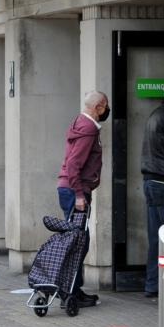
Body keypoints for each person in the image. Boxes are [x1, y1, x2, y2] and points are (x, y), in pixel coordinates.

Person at [56, 90, 109, 307]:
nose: (106, 111)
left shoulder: (80, 122)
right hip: (74, 191)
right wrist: (79, 194)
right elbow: (74, 165)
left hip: (68, 188)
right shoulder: (88, 129)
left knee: (78, 242)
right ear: (99, 106)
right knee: (79, 243)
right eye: (105, 106)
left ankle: (72, 289)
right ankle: (71, 292)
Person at [141, 79, 164, 298]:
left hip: (152, 180)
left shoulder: (155, 114)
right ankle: (163, 283)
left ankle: (152, 283)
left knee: (156, 236)